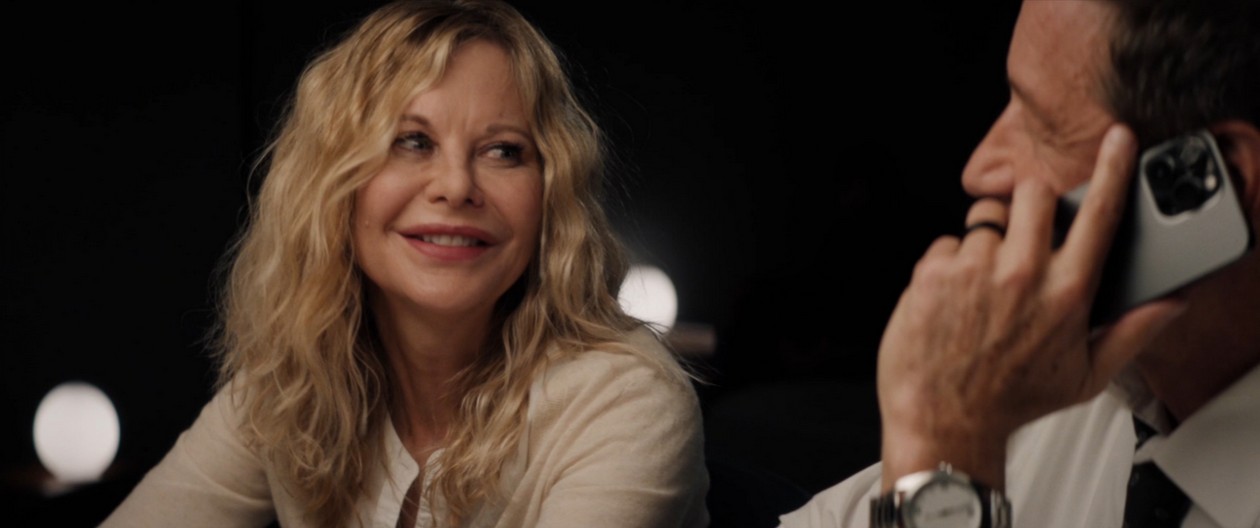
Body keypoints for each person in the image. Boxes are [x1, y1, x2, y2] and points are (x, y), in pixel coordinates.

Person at [101, 1, 709, 526]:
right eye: (412, 141)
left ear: (550, 193)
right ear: (330, 185)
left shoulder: (627, 401)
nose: (456, 185)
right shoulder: (289, 383)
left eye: (504, 151)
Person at [779, 0, 1260, 527]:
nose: (978, 169)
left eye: (1041, 125)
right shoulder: (1049, 389)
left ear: (1218, 181)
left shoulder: (974, 422)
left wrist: (944, 452)